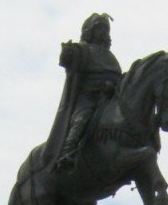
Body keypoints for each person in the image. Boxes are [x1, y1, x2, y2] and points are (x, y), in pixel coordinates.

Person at [45, 13, 122, 175]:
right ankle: (68, 153)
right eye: (99, 29)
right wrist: (68, 52)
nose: (103, 33)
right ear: (90, 31)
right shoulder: (83, 50)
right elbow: (68, 60)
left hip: (109, 100)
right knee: (81, 119)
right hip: (88, 98)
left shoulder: (110, 56)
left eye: (105, 29)